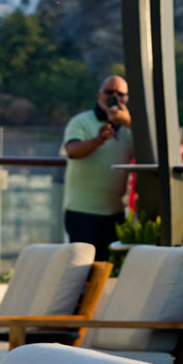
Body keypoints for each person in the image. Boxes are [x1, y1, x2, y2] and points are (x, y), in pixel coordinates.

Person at [61, 75, 133, 252]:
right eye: (109, 91)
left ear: (127, 98)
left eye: (120, 94)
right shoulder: (81, 121)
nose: (114, 96)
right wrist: (99, 140)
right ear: (98, 95)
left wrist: (129, 123)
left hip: (116, 213)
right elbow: (72, 151)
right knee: (82, 269)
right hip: (82, 212)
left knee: (112, 270)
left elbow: (153, 150)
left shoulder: (132, 128)